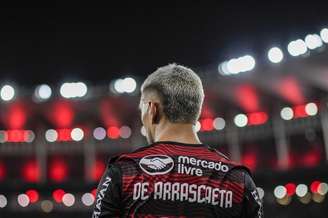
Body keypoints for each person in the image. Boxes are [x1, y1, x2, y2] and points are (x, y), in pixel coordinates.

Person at [92, 64, 263, 218]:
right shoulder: (237, 179)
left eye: (142, 110)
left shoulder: (124, 172)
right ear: (196, 108)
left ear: (153, 109)